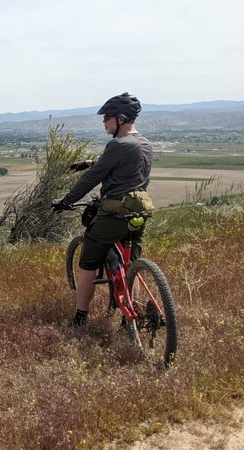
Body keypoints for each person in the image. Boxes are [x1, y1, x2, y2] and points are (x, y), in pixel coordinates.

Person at [52, 92, 154, 326]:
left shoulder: (117, 144)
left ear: (120, 118)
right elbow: (121, 163)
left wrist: (66, 200)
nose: (104, 122)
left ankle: (80, 317)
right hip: (138, 215)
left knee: (87, 262)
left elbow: (93, 178)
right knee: (131, 267)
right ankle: (132, 318)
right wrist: (88, 162)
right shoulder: (145, 144)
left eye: (107, 117)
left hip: (114, 215)